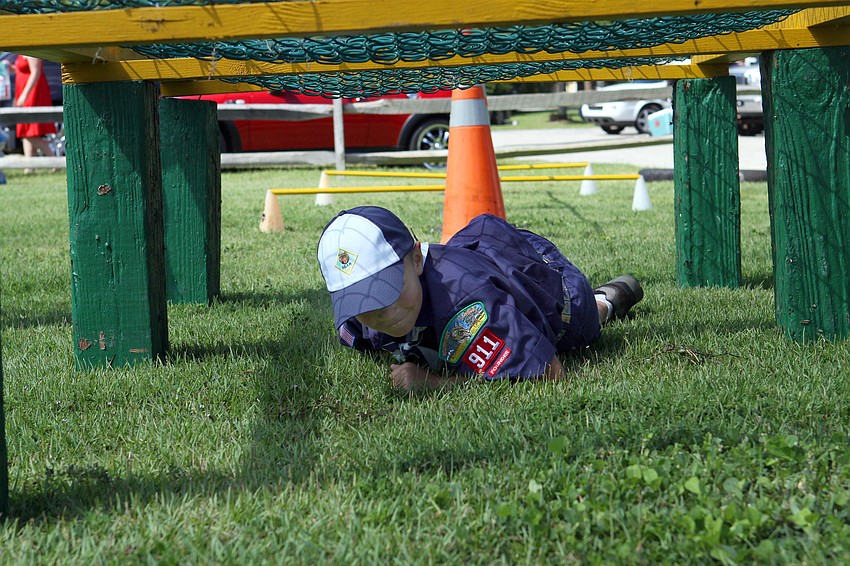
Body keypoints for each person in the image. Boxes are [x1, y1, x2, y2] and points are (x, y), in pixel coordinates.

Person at [317, 206, 644, 391]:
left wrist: (432, 383)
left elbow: (549, 371)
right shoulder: (362, 321)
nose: (383, 313)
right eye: (365, 304)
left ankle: (606, 300)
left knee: (578, 314)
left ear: (416, 258)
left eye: (387, 290)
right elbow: (355, 331)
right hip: (481, 250)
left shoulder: (467, 301)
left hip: (556, 293)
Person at [10, 55, 56, 171]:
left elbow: (36, 72)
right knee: (27, 131)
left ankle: (54, 160)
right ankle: (29, 166)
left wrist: (24, 95)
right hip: (24, 91)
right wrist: (13, 68)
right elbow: (24, 69)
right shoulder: (20, 51)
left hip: (32, 93)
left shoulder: (30, 51)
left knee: (27, 131)